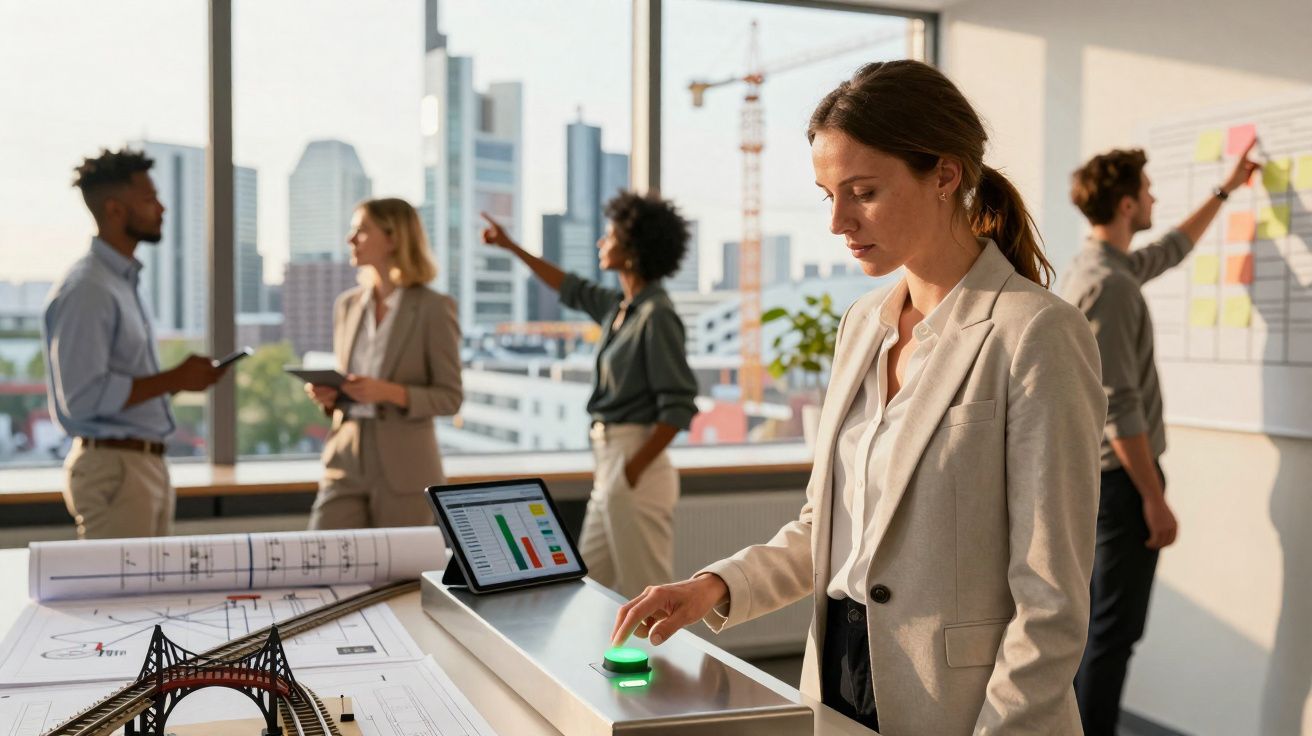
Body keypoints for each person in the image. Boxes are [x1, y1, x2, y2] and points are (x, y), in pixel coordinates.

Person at [610, 60, 1108, 735]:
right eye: (828, 195)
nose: (839, 221)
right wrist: (713, 586)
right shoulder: (862, 324)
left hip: (970, 706)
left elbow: (1050, 595)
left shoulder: (1037, 332)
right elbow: (829, 527)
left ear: (945, 174)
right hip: (840, 673)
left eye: (863, 191)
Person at [1062, 143, 1260, 735]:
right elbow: (1119, 406)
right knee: (1111, 638)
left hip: (1102, 482)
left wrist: (1226, 189)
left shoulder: (1097, 268)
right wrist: (1153, 495)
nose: (1154, 199)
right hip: (1120, 486)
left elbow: (1170, 250)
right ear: (1127, 204)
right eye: (1148, 192)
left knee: (1098, 631)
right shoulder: (1113, 287)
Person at [480, 191, 698, 599]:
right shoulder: (621, 307)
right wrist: (511, 246)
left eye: (609, 236)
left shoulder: (657, 315)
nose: (602, 243)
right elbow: (569, 286)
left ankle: (662, 664)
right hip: (609, 465)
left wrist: (631, 471)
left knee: (647, 592)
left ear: (632, 250)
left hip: (633, 462)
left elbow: (680, 406)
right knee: (586, 586)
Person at [43, 148, 229, 540]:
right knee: (120, 600)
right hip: (115, 468)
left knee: (147, 598)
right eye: (149, 199)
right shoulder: (88, 288)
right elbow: (83, 396)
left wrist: (179, 381)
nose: (162, 208)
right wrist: (172, 378)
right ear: (114, 210)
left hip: (143, 466)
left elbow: (120, 389)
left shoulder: (122, 283)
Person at [304, 197, 462, 529]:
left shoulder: (434, 307)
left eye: (361, 230)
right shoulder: (346, 306)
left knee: (401, 576)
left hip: (406, 465)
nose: (350, 239)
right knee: (322, 559)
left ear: (393, 238)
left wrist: (387, 392)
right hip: (345, 458)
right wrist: (331, 396)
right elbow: (349, 384)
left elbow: (450, 397)